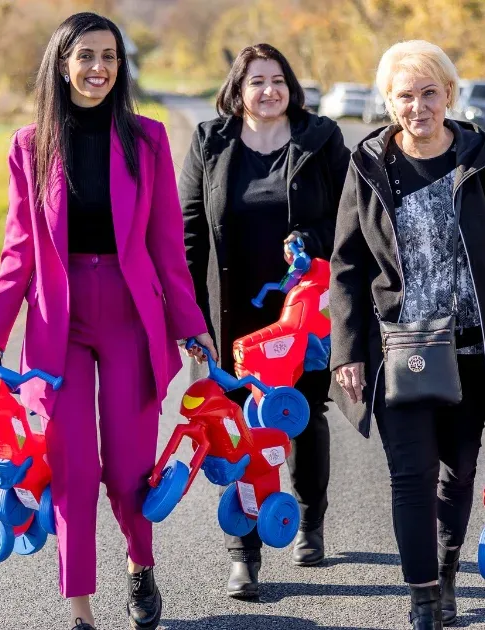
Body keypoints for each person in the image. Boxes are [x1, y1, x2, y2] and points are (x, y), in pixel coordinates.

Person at [0, 12, 214, 630]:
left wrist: (192, 325)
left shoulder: (148, 138)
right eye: (86, 56)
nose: (98, 68)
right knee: (71, 465)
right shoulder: (30, 144)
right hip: (59, 321)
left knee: (129, 465)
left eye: (109, 56)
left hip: (130, 313)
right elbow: (20, 250)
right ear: (62, 63)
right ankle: (79, 609)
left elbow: (165, 249)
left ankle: (140, 564)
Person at [327, 41, 485, 630]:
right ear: (389, 101)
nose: (418, 106)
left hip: (473, 348)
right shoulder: (370, 163)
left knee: (459, 472)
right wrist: (346, 347)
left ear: (449, 94)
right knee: (411, 473)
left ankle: (446, 573)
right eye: (406, 95)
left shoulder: (480, 156)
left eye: (430, 93)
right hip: (400, 348)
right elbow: (346, 264)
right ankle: (423, 598)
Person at [180, 43, 349, 599]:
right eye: (257, 81)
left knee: (302, 414)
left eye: (278, 79)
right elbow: (188, 231)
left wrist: (311, 241)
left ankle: (309, 518)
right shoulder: (211, 141)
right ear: (239, 88)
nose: (269, 90)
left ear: (291, 86)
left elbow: (349, 220)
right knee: (237, 423)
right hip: (230, 313)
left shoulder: (320, 140)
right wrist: (191, 319)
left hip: (302, 309)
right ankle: (244, 550)